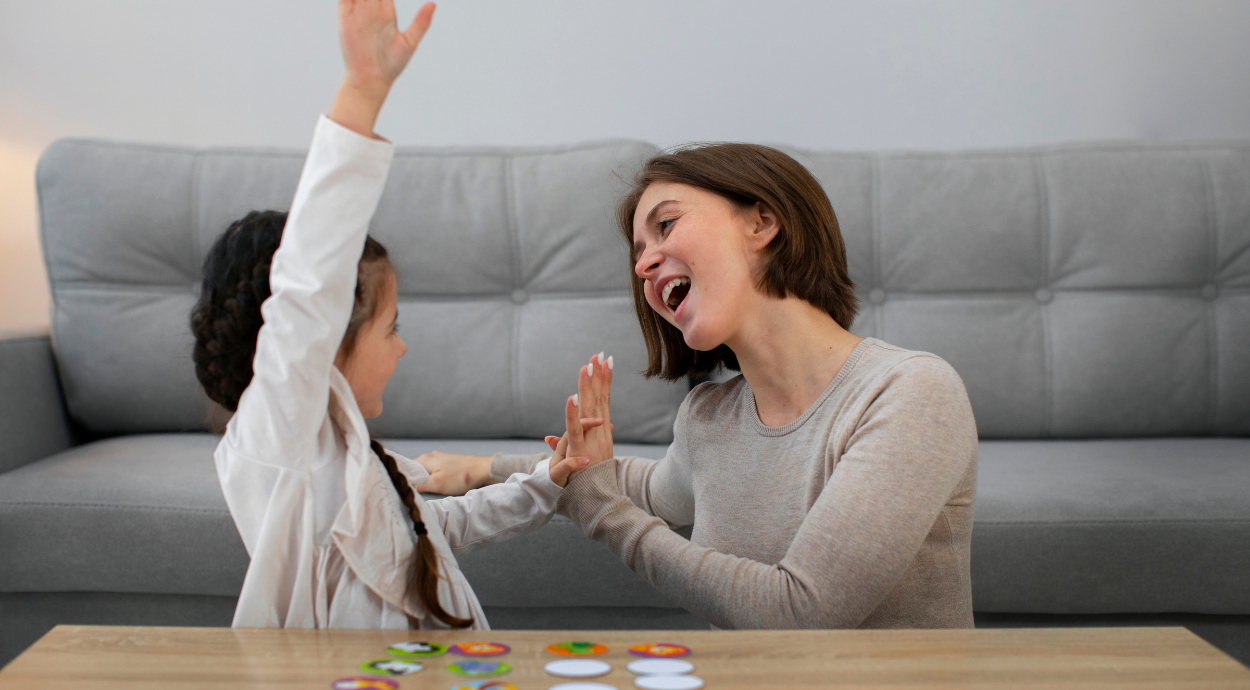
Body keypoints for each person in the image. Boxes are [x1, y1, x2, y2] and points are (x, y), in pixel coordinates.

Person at [423, 144, 979, 629]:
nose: (643, 266)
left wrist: (603, 514)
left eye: (664, 227)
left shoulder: (911, 392)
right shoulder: (710, 418)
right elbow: (639, 485)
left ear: (762, 222)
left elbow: (803, 611)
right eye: (637, 253)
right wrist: (485, 468)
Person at [188, 0, 608, 630]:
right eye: (391, 329)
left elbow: (444, 523)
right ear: (324, 342)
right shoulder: (280, 448)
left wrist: (552, 478)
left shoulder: (362, 464)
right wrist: (363, 92)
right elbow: (308, 287)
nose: (403, 347)